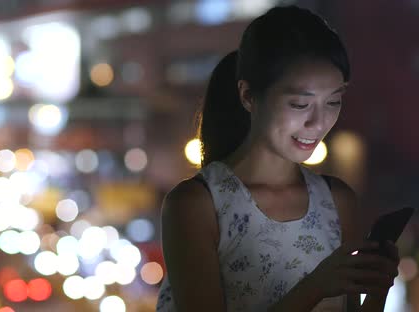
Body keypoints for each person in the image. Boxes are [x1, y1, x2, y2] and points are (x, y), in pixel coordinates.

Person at [156, 5, 399, 312]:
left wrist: (377, 288)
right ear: (248, 96)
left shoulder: (337, 201)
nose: (318, 122)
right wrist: (314, 287)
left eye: (334, 101)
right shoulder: (198, 204)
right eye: (300, 104)